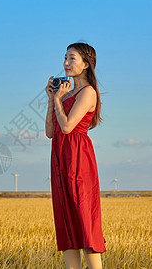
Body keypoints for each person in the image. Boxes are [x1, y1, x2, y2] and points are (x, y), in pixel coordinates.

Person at [45, 43, 106, 269]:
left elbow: (68, 126)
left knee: (83, 219)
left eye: (72, 58)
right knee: (66, 219)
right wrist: (52, 99)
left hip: (78, 158)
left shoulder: (88, 92)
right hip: (60, 156)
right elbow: (51, 132)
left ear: (86, 64)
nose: (66, 63)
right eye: (65, 58)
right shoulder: (65, 94)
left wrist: (59, 101)